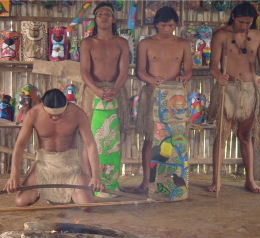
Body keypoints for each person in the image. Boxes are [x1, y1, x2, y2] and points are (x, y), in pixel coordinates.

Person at [208, 2, 260, 193]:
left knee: (246, 135)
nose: (245, 26)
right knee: (222, 134)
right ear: (234, 16)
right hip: (228, 89)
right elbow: (213, 64)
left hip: (250, 89)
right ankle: (216, 180)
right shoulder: (221, 35)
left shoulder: (258, 36)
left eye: (249, 22)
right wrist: (219, 76)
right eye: (242, 22)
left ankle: (250, 180)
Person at [4, 89, 104, 206]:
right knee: (21, 201)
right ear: (43, 106)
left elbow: (90, 144)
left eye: (59, 114)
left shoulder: (77, 114)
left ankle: (72, 194)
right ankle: (46, 192)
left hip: (70, 165)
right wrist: (14, 176)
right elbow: (20, 145)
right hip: (44, 165)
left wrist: (96, 176)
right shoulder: (33, 114)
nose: (55, 118)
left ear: (66, 106)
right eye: (51, 115)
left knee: (87, 205)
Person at [135, 6, 193, 195]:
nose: (167, 29)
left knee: (175, 139)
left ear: (176, 24)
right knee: (151, 139)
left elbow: (189, 70)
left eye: (171, 25)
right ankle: (146, 181)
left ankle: (174, 182)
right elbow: (140, 71)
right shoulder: (146, 43)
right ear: (156, 25)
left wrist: (185, 78)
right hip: (153, 92)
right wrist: (151, 80)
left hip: (174, 96)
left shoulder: (183, 44)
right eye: (163, 25)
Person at [80, 2, 129, 197]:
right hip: (92, 92)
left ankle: (111, 181)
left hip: (116, 90)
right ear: (95, 18)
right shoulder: (88, 43)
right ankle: (88, 181)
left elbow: (124, 70)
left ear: (114, 19)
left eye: (108, 14)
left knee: (113, 138)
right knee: (90, 137)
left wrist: (115, 89)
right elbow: (84, 71)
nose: (104, 17)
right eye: (100, 14)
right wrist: (96, 90)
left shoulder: (121, 43)